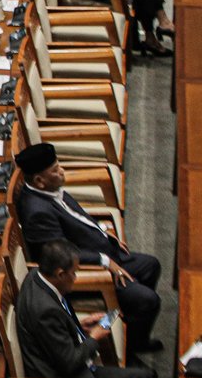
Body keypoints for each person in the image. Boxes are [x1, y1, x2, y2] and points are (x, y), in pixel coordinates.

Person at [14, 143, 162, 355]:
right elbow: (59, 255)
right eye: (55, 170)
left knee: (150, 266)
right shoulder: (37, 212)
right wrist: (103, 261)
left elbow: (76, 216)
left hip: (99, 249)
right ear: (39, 180)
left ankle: (135, 332)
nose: (62, 171)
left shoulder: (48, 189)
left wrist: (102, 230)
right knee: (148, 300)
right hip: (85, 270)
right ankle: (131, 351)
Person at [14, 239, 155, 378]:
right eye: (73, 273)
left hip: (71, 369)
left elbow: (51, 335)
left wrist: (79, 326)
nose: (75, 277)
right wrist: (94, 337)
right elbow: (70, 363)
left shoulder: (36, 276)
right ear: (60, 274)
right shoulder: (45, 310)